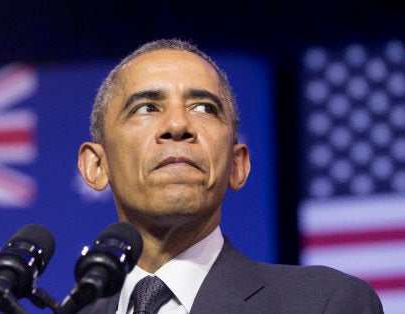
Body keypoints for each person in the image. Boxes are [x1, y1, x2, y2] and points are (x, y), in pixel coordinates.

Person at [76, 39, 383, 313]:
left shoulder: (324, 303)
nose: (178, 125)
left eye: (204, 108)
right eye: (146, 107)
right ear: (96, 166)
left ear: (237, 166)